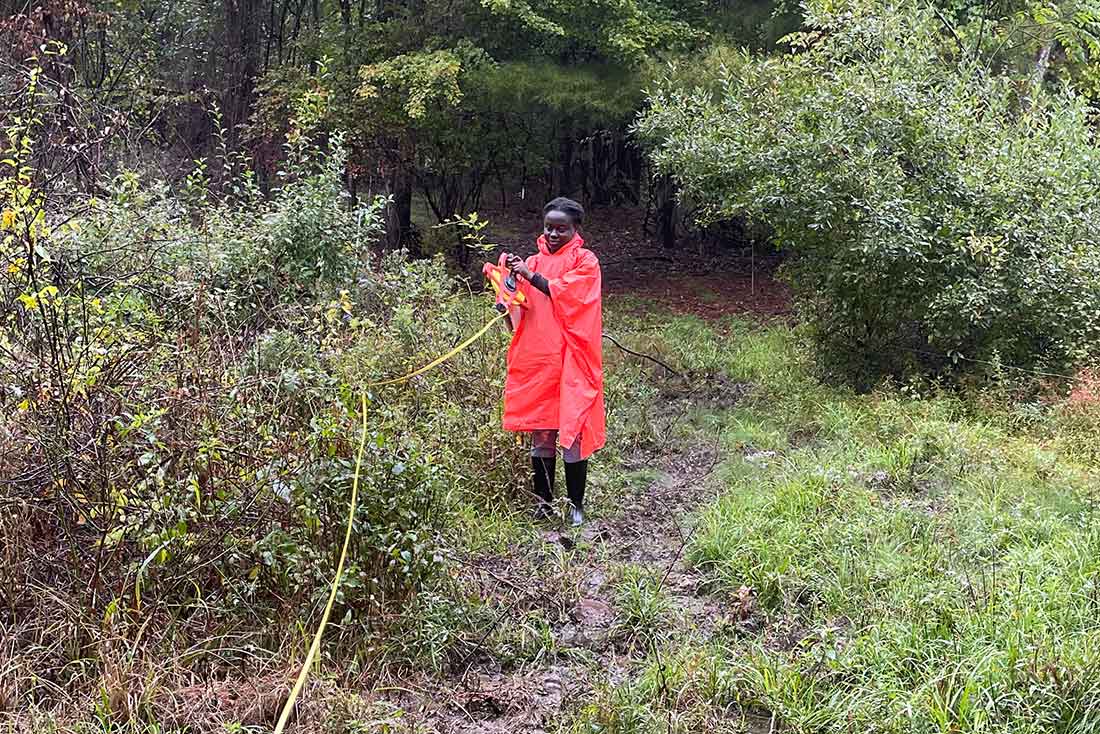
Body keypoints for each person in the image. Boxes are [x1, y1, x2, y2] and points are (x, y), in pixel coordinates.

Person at [498, 197, 605, 527]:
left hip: (573, 358)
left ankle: (576, 505)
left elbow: (568, 296)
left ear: (576, 230)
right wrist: (507, 297)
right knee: (542, 431)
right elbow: (520, 310)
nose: (554, 234)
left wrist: (529, 275)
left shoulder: (585, 261)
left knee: (572, 431)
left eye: (562, 229)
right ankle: (543, 503)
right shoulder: (531, 261)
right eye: (549, 228)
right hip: (538, 358)